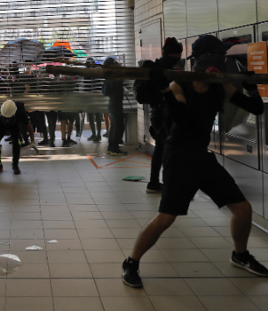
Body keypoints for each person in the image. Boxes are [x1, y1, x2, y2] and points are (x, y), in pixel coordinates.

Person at [122, 35, 268, 288]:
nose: (222, 60)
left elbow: (255, 108)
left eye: (223, 56)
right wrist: (165, 88)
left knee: (243, 209)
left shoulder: (219, 84)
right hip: (179, 156)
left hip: (202, 156)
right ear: (203, 58)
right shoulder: (181, 84)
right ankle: (131, 262)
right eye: (218, 55)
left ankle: (240, 254)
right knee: (166, 217)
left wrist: (252, 86)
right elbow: (180, 118)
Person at [134, 37, 184, 193]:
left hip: (156, 114)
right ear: (179, 53)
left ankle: (154, 182)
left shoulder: (155, 67)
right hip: (166, 116)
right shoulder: (172, 69)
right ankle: (171, 185)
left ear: (163, 51)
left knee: (161, 149)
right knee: (170, 151)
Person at [0, 100, 36, 175]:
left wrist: (32, 141)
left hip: (14, 127)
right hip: (1, 126)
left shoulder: (20, 113)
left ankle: (15, 165)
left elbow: (29, 127)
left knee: (16, 143)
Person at [102, 57, 126, 155]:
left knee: (114, 126)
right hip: (116, 103)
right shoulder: (114, 77)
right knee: (118, 126)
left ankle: (111, 147)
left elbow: (105, 92)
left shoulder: (108, 77)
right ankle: (114, 148)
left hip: (112, 102)